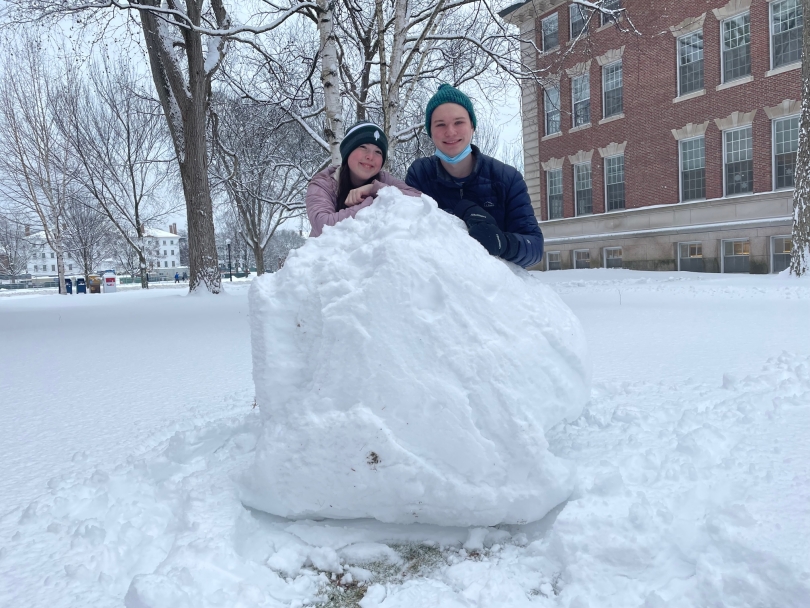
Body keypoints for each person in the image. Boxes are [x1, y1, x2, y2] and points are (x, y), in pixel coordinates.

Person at [406, 84, 544, 268]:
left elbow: (535, 248)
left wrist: (503, 243)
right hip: (439, 287)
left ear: (472, 126)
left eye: (459, 122)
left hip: (495, 291)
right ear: (430, 132)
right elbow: (408, 233)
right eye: (440, 124)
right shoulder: (420, 175)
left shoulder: (507, 178)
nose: (450, 132)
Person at [306, 121, 421, 237]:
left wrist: (375, 188)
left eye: (378, 152)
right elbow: (323, 226)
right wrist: (370, 203)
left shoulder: (384, 179)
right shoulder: (323, 183)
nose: (370, 156)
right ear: (348, 151)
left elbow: (420, 200)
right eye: (363, 147)